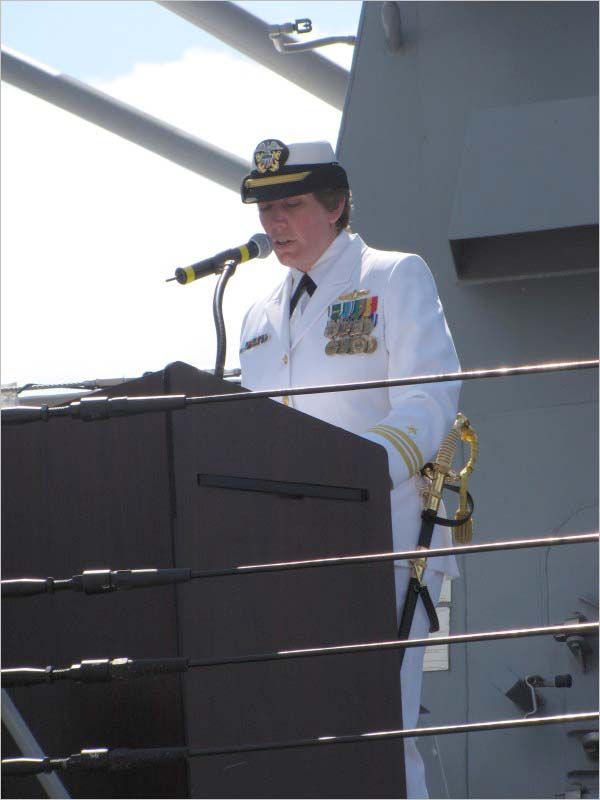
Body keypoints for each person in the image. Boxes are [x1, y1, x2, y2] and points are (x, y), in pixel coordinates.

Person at [239, 139, 461, 799]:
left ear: (334, 206)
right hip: (284, 548)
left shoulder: (392, 276)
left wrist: (359, 472)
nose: (274, 221)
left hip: (382, 537)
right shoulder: (256, 315)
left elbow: (430, 396)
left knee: (379, 725)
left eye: (291, 205)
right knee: (299, 729)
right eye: (266, 208)